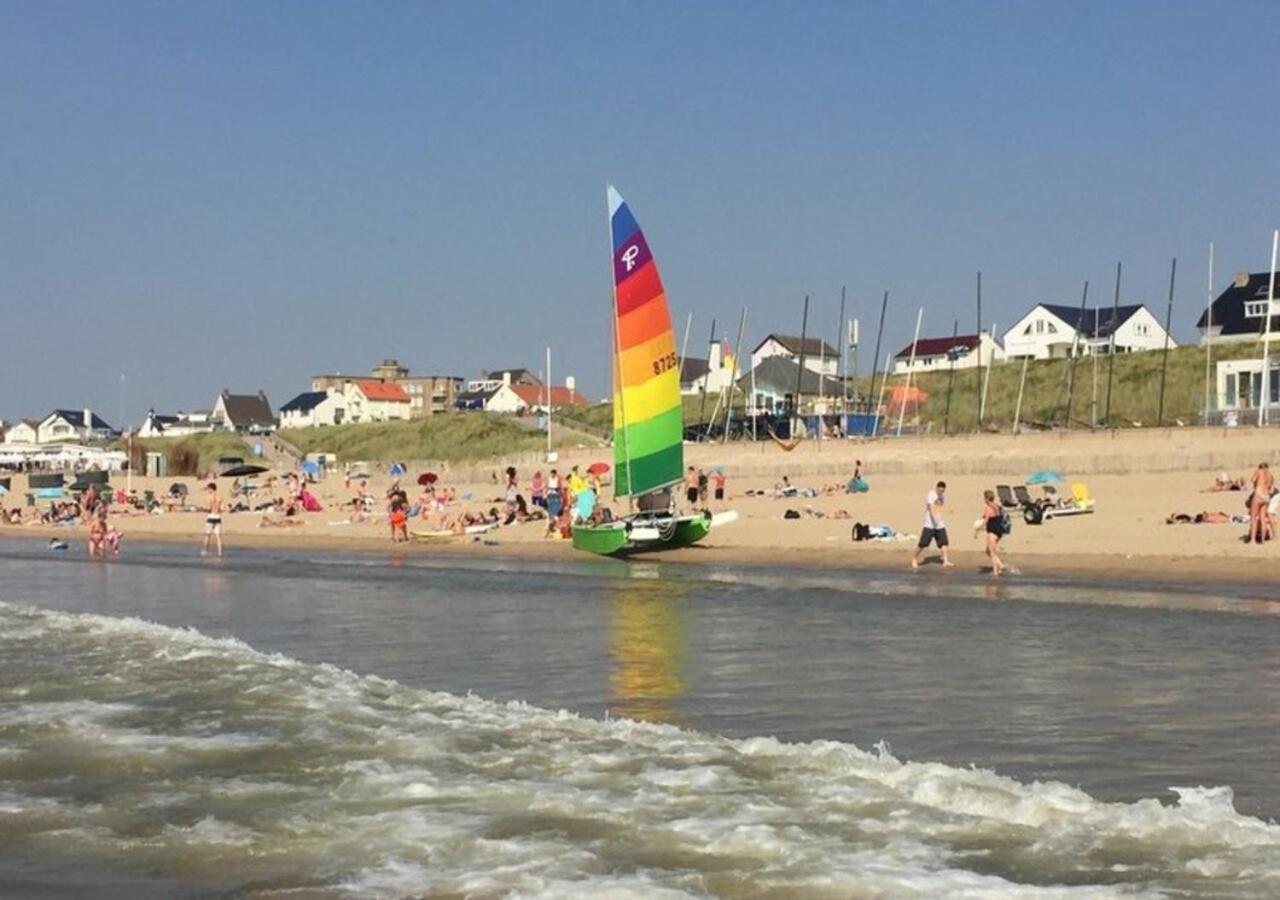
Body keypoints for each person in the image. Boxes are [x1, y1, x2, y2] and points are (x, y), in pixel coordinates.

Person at [912, 480, 953, 569]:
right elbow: (930, 508)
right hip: (929, 524)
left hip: (939, 524)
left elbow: (938, 508)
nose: (941, 492)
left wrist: (939, 520)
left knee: (944, 542)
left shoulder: (942, 496)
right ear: (937, 488)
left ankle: (945, 561)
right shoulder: (931, 494)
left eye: (942, 491)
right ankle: (914, 558)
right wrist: (934, 519)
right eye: (940, 490)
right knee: (923, 543)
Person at [976, 489, 1007, 576]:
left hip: (992, 532)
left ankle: (995, 571)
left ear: (986, 499)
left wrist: (977, 531)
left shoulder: (988, 508)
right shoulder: (997, 506)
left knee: (992, 552)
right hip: (999, 531)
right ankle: (1000, 565)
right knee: (988, 550)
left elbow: (985, 521)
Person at [1249, 462, 1275, 544]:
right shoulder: (1270, 475)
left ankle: (1253, 540)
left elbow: (1252, 480)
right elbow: (1272, 490)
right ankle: (1263, 541)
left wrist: (1255, 480)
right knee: (1263, 518)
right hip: (1266, 497)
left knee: (1253, 518)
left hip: (1258, 495)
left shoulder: (1259, 471)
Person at [201, 482, 223, 557]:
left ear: (211, 489)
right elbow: (221, 508)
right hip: (218, 517)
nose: (208, 491)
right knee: (218, 536)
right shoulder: (220, 497)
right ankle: (220, 552)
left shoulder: (209, 497)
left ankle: (205, 551)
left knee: (207, 535)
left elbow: (209, 508)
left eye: (208, 489)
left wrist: (203, 509)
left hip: (211, 516)